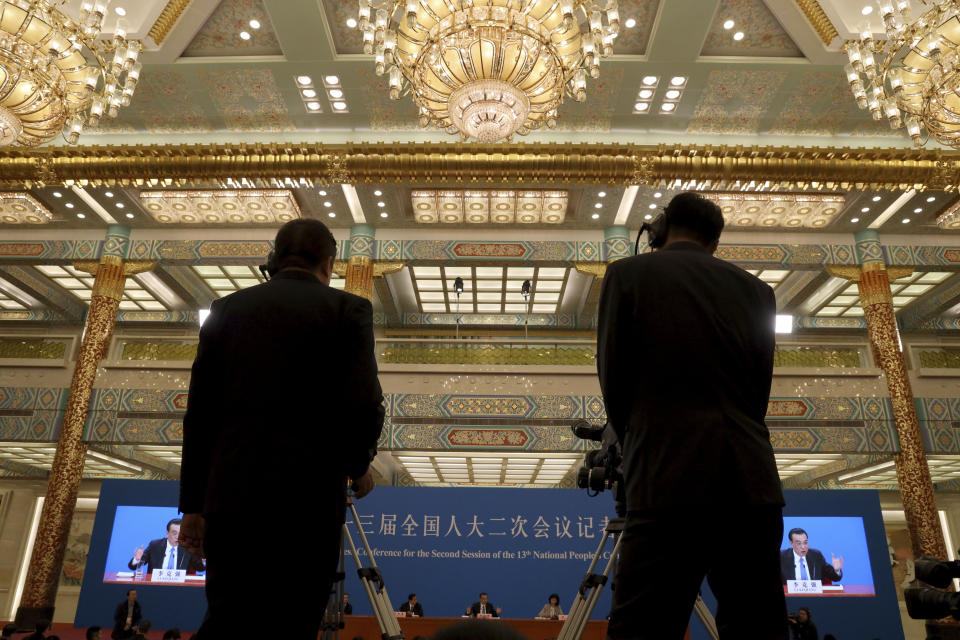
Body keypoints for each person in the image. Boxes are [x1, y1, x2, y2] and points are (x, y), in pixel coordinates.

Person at [177, 219, 384, 640]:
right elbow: (362, 401)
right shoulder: (348, 310)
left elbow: (200, 415)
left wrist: (193, 507)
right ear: (328, 264)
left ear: (276, 257)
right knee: (294, 619)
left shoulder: (226, 310)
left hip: (232, 501)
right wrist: (358, 463)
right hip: (307, 501)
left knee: (227, 618)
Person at [597, 192, 787, 640]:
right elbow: (759, 389)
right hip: (751, 483)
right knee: (757, 624)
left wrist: (640, 441)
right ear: (714, 241)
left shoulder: (627, 274)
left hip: (666, 479)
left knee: (643, 627)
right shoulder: (758, 291)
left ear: (660, 227)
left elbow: (615, 382)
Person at [128, 518, 203, 574]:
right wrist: (137, 560)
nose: (178, 537)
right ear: (167, 533)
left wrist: (204, 560)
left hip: (180, 587)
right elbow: (133, 567)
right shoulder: (155, 545)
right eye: (174, 533)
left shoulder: (188, 547)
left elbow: (200, 568)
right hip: (156, 586)